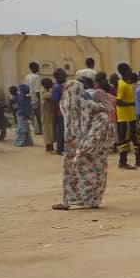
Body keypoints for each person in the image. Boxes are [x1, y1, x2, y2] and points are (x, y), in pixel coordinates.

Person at [53, 80, 116, 210]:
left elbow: (102, 122)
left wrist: (86, 145)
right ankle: (72, 200)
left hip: (92, 147)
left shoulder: (91, 108)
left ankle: (90, 200)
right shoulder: (72, 106)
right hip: (76, 147)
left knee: (91, 173)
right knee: (75, 172)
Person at [115, 63, 140, 169]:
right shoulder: (122, 85)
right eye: (129, 69)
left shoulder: (127, 83)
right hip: (124, 117)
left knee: (135, 138)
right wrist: (132, 104)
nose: (131, 71)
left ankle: (139, 159)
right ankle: (122, 162)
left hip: (131, 116)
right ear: (125, 71)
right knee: (125, 140)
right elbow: (119, 101)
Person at [25, 62, 43, 135]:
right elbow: (37, 90)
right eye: (37, 66)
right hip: (35, 97)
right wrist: (40, 100)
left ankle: (35, 129)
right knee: (38, 114)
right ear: (34, 68)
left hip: (29, 97)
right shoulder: (36, 77)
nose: (39, 68)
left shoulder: (27, 76)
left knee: (33, 114)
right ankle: (39, 130)